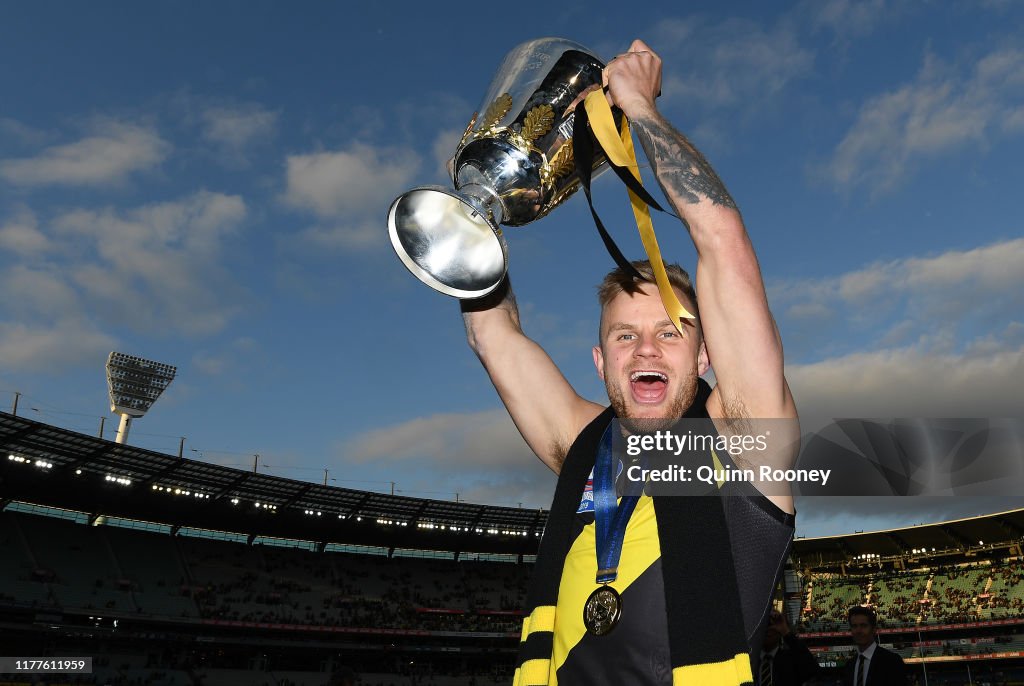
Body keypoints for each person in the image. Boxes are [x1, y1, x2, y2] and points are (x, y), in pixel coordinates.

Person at [461, 39, 798, 686]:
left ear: (706, 355)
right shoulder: (582, 446)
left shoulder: (745, 438)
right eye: (624, 336)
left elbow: (722, 242)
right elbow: (492, 336)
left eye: (670, 332)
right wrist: (475, 214)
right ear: (599, 360)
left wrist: (639, 109)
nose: (646, 349)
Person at [842, 606, 907, 686]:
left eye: (863, 625)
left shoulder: (892, 661)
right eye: (854, 626)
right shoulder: (849, 665)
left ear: (874, 629)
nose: (858, 631)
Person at [758, 609, 819, 686]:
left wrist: (786, 632)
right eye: (765, 625)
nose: (769, 629)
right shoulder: (748, 661)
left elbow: (812, 670)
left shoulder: (790, 661)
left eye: (773, 625)